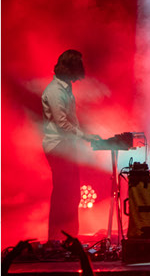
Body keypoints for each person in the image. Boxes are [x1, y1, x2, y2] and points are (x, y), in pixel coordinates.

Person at [41, 50, 98, 243]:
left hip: (66, 146)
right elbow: (62, 123)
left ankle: (69, 237)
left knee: (72, 193)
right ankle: (56, 238)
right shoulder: (55, 92)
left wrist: (83, 135)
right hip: (58, 147)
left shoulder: (65, 88)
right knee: (63, 194)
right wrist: (84, 136)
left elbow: (70, 120)